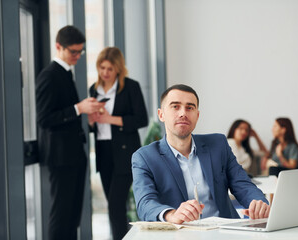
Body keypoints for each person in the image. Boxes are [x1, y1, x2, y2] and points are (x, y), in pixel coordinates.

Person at [132, 84, 270, 224]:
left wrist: (258, 203)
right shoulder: (145, 157)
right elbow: (145, 203)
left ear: (197, 115)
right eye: (175, 106)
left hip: (225, 231)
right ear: (161, 114)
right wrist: (171, 214)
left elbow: (242, 183)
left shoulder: (218, 144)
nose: (183, 113)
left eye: (190, 107)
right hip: (181, 234)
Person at [36, 25, 105, 240]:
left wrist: (85, 109)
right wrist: (78, 108)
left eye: (80, 51)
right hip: (61, 157)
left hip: (73, 154)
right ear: (58, 47)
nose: (77, 56)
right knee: (62, 214)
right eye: (73, 52)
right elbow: (44, 119)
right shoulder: (49, 75)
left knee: (72, 215)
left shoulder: (65, 74)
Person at [88, 47, 148, 240]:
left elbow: (141, 119)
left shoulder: (130, 87)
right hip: (104, 151)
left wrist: (111, 119)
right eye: (102, 68)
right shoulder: (93, 89)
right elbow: (94, 126)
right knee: (114, 207)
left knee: (115, 205)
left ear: (119, 69)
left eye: (110, 69)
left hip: (125, 153)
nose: (105, 73)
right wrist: (91, 121)